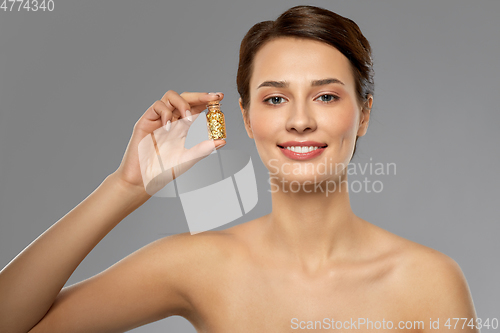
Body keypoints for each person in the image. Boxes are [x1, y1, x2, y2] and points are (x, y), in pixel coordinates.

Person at [0, 5, 478, 333]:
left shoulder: (428, 282)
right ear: (247, 119)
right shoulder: (197, 265)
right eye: (274, 98)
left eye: (327, 96)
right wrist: (125, 187)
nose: (299, 120)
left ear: (365, 113)